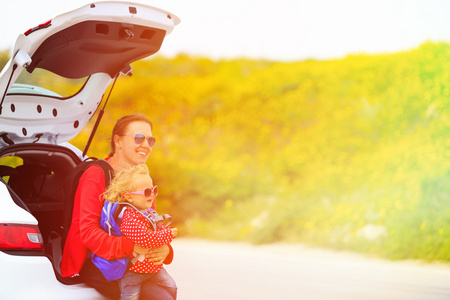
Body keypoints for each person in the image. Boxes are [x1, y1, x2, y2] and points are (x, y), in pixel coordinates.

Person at [61, 113, 176, 300]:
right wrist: (132, 247)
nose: (146, 145)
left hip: (133, 262)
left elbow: (150, 222)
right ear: (118, 141)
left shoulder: (140, 179)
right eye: (139, 138)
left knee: (167, 293)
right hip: (98, 262)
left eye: (150, 140)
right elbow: (88, 232)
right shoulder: (95, 175)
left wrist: (165, 249)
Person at [100, 164, 177, 300]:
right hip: (133, 273)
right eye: (147, 192)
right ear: (129, 197)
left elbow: (157, 227)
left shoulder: (146, 211)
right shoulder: (129, 217)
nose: (152, 195)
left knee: (172, 287)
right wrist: (169, 234)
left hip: (153, 268)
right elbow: (145, 239)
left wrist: (165, 235)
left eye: (154, 190)